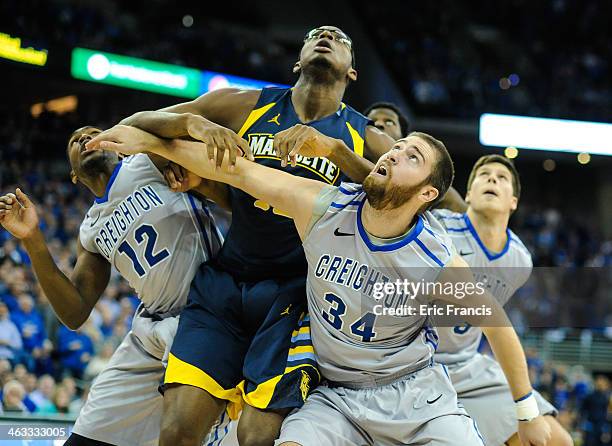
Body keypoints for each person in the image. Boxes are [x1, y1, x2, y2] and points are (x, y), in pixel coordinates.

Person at [87, 124, 553, 446]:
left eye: (412, 156)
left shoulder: (435, 257)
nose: (393, 152)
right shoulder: (323, 207)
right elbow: (234, 170)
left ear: (427, 194)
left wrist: (528, 412)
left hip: (413, 392)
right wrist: (149, 140)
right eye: (397, 146)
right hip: (338, 392)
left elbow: (499, 328)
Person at [111, 25, 395, 445]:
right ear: (297, 60)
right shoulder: (246, 104)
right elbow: (136, 124)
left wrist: (337, 153)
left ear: (352, 72)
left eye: (341, 39)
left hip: (297, 296)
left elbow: (417, 196)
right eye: (316, 33)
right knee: (176, 433)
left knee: (256, 438)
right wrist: (191, 125)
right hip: (225, 282)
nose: (327, 35)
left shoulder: (364, 136)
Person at [0, 126, 223, 446]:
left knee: (181, 434)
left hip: (207, 313)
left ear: (119, 146)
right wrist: (33, 240)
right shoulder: (91, 228)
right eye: (74, 141)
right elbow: (74, 312)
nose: (83, 138)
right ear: (74, 175)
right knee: (85, 437)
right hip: (151, 328)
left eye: (93, 133)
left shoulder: (150, 162)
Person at [432, 154, 573, 446]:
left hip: (466, 366)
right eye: (484, 174)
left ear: (514, 202)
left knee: (558, 441)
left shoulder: (520, 261)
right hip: (417, 363)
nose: (493, 178)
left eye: (502, 177)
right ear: (468, 194)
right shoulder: (436, 228)